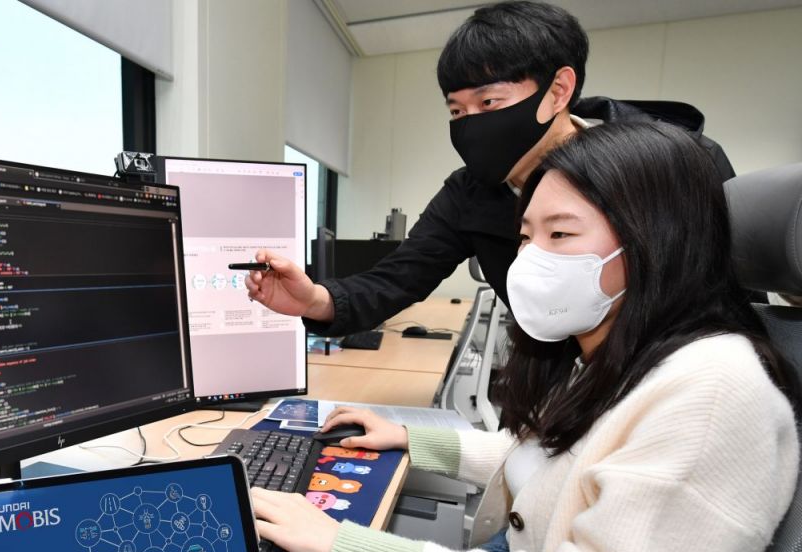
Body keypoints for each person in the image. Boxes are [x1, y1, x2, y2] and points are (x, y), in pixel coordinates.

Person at [250, 122, 799, 552]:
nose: (531, 259)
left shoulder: (713, 392)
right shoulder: (636, 350)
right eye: (527, 236)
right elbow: (567, 465)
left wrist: (340, 543)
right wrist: (412, 439)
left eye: (560, 234)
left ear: (656, 240)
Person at [244, 1, 734, 335]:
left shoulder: (677, 166)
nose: (472, 123)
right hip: (552, 381)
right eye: (457, 110)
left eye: (490, 101)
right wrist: (314, 300)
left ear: (558, 91)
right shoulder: (471, 193)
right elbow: (396, 279)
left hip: (663, 381)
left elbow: (728, 305)